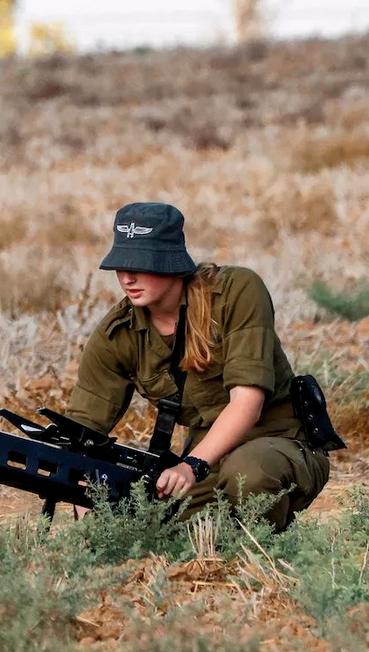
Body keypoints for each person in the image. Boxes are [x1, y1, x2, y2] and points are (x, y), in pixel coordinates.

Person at [65, 202, 331, 530]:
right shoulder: (118, 334)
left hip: (281, 443)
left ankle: (267, 557)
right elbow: (80, 433)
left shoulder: (236, 293)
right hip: (207, 460)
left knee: (249, 473)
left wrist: (190, 467)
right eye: (120, 265)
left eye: (140, 264)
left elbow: (248, 405)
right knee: (143, 527)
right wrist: (82, 488)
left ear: (171, 262)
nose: (128, 277)